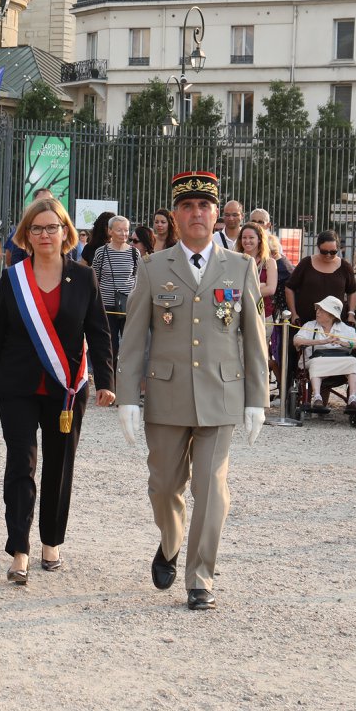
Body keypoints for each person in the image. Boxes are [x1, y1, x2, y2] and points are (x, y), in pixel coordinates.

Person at [116, 170, 268, 611]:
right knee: (164, 487)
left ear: (217, 214)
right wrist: (127, 395)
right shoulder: (152, 267)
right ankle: (170, 542)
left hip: (222, 395)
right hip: (166, 396)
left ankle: (200, 576)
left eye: (204, 206)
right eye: (187, 206)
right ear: (175, 216)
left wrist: (258, 399)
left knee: (212, 487)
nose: (196, 213)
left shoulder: (240, 266)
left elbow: (254, 338)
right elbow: (134, 339)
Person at [0, 198, 115, 583]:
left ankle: (51, 542)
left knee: (59, 466)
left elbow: (99, 334)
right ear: (26, 234)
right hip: (17, 386)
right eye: (36, 228)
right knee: (21, 464)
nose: (44, 234)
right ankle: (18, 549)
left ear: (65, 232)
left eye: (52, 227)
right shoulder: (14, 277)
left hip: (66, 390)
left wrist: (106, 381)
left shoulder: (84, 277)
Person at [293, 295, 356, 407]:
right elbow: (297, 341)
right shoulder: (310, 325)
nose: (317, 312)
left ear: (332, 315)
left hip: (340, 363)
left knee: (353, 361)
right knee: (316, 362)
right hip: (315, 360)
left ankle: (352, 398)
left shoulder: (344, 329)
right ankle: (317, 397)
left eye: (322, 310)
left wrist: (347, 343)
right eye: (317, 309)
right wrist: (322, 342)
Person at [89, 215, 137, 352]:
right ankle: (111, 372)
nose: (124, 234)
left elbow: (138, 279)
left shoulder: (134, 253)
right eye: (119, 230)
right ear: (110, 231)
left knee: (129, 345)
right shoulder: (101, 252)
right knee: (110, 346)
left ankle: (126, 373)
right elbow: (95, 279)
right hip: (107, 307)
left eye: (126, 230)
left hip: (128, 306)